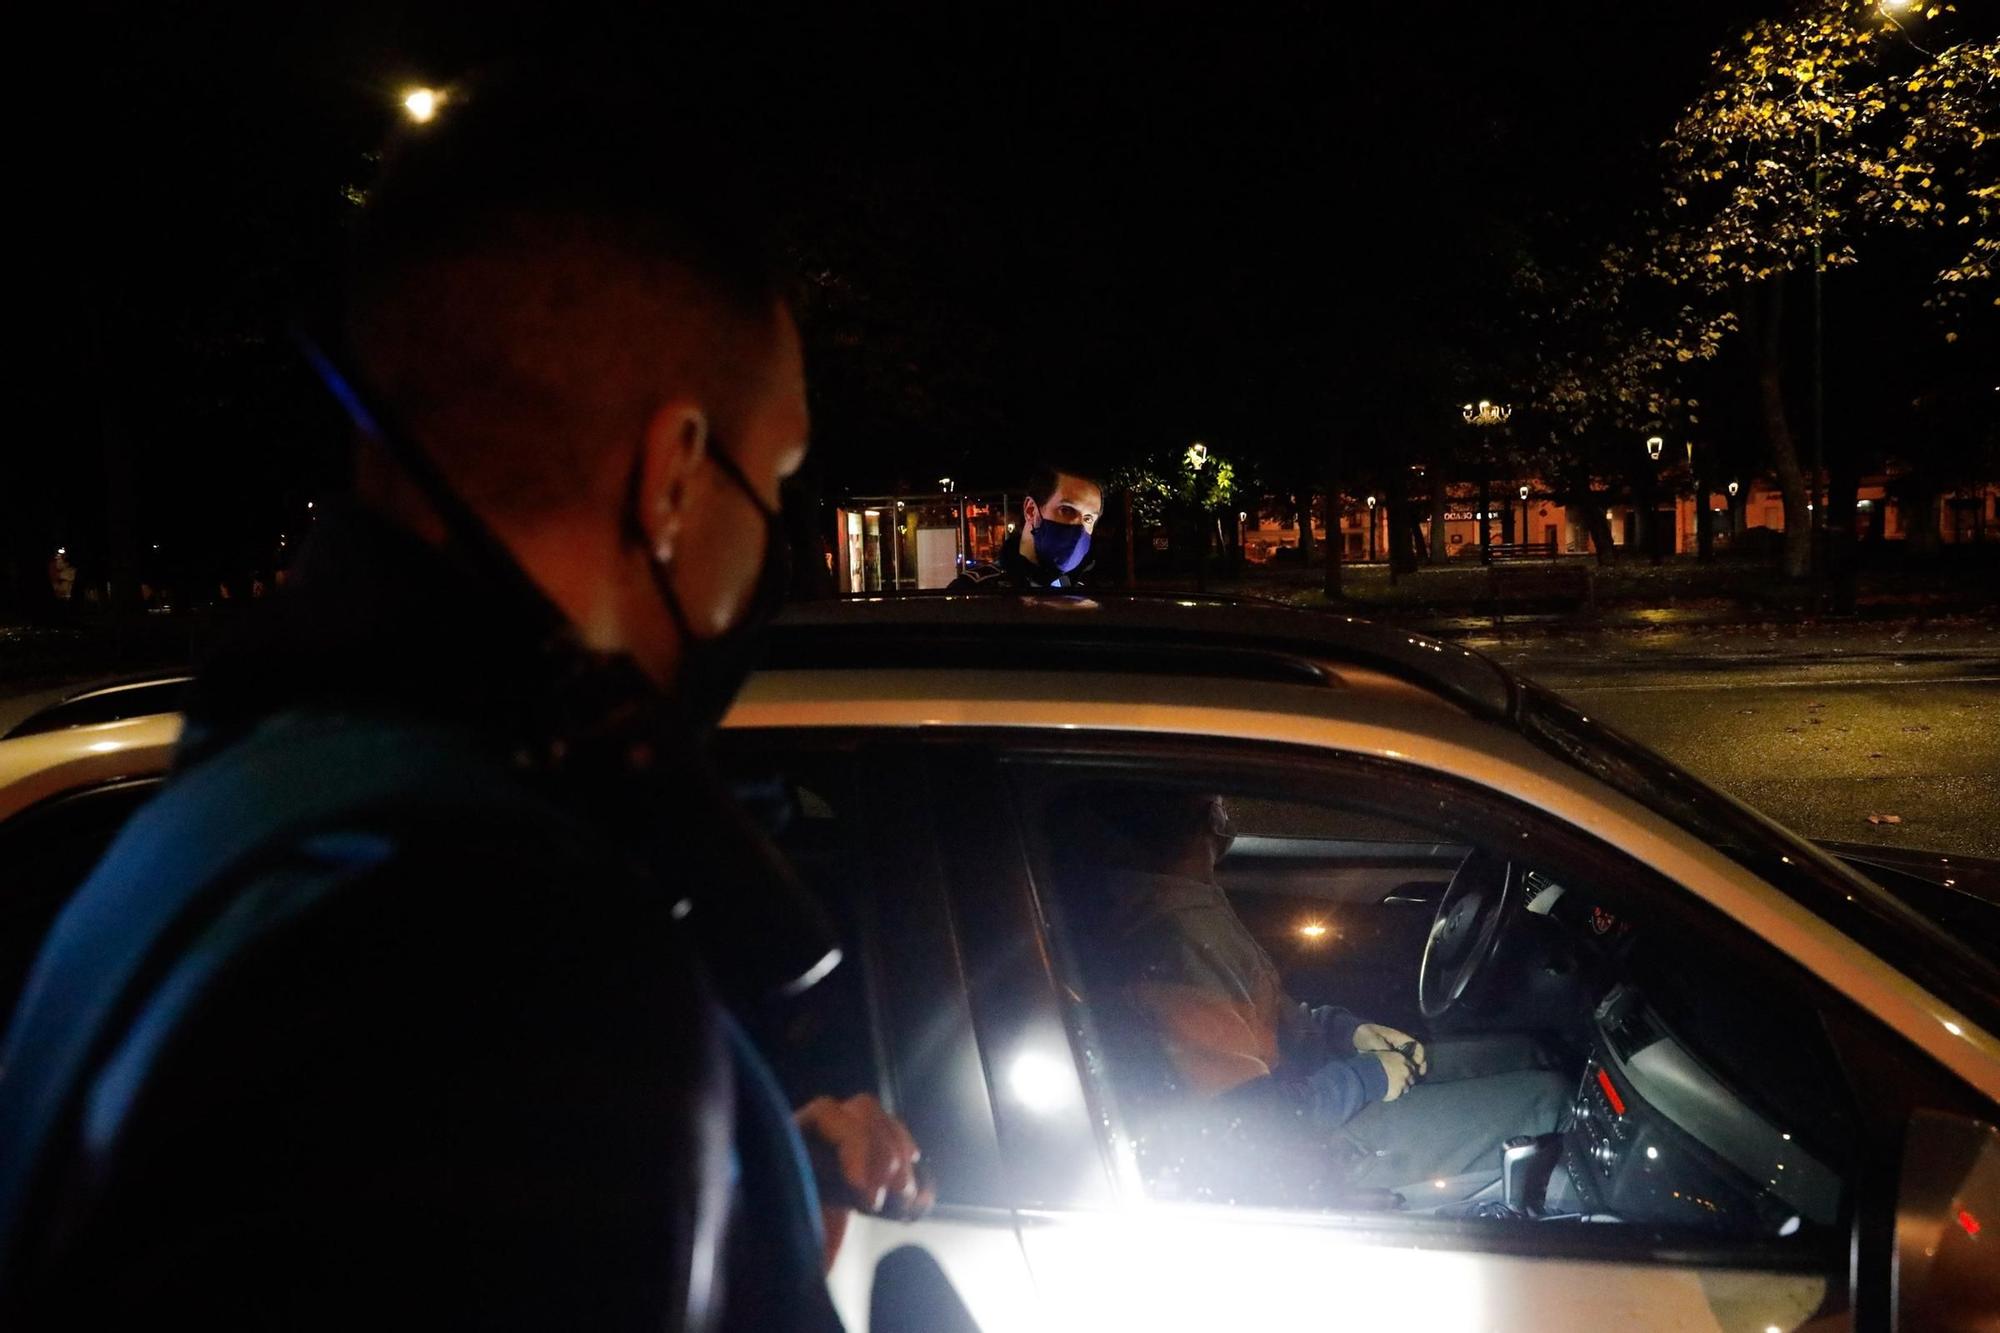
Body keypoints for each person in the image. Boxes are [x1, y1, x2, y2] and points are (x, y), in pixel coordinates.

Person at [0, 74, 922, 1330]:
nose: (773, 541)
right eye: (776, 476)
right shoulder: (506, 972)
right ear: (672, 478)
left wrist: (755, 1172)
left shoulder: (239, 808)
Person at [1076, 789, 1567, 1203]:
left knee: (1529, 1053)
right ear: (1207, 818)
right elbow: (1246, 1120)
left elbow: (1269, 1022)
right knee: (1551, 1099)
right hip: (1316, 1149)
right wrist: (1365, 1077)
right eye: (1217, 802)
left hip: (1316, 1093)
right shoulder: (1167, 938)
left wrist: (1349, 1032)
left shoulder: (1188, 903)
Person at [949, 461, 1103, 590]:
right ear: (1030, 510)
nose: (1079, 527)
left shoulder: (1087, 597)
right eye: (1066, 510)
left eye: (1088, 518)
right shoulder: (974, 592)